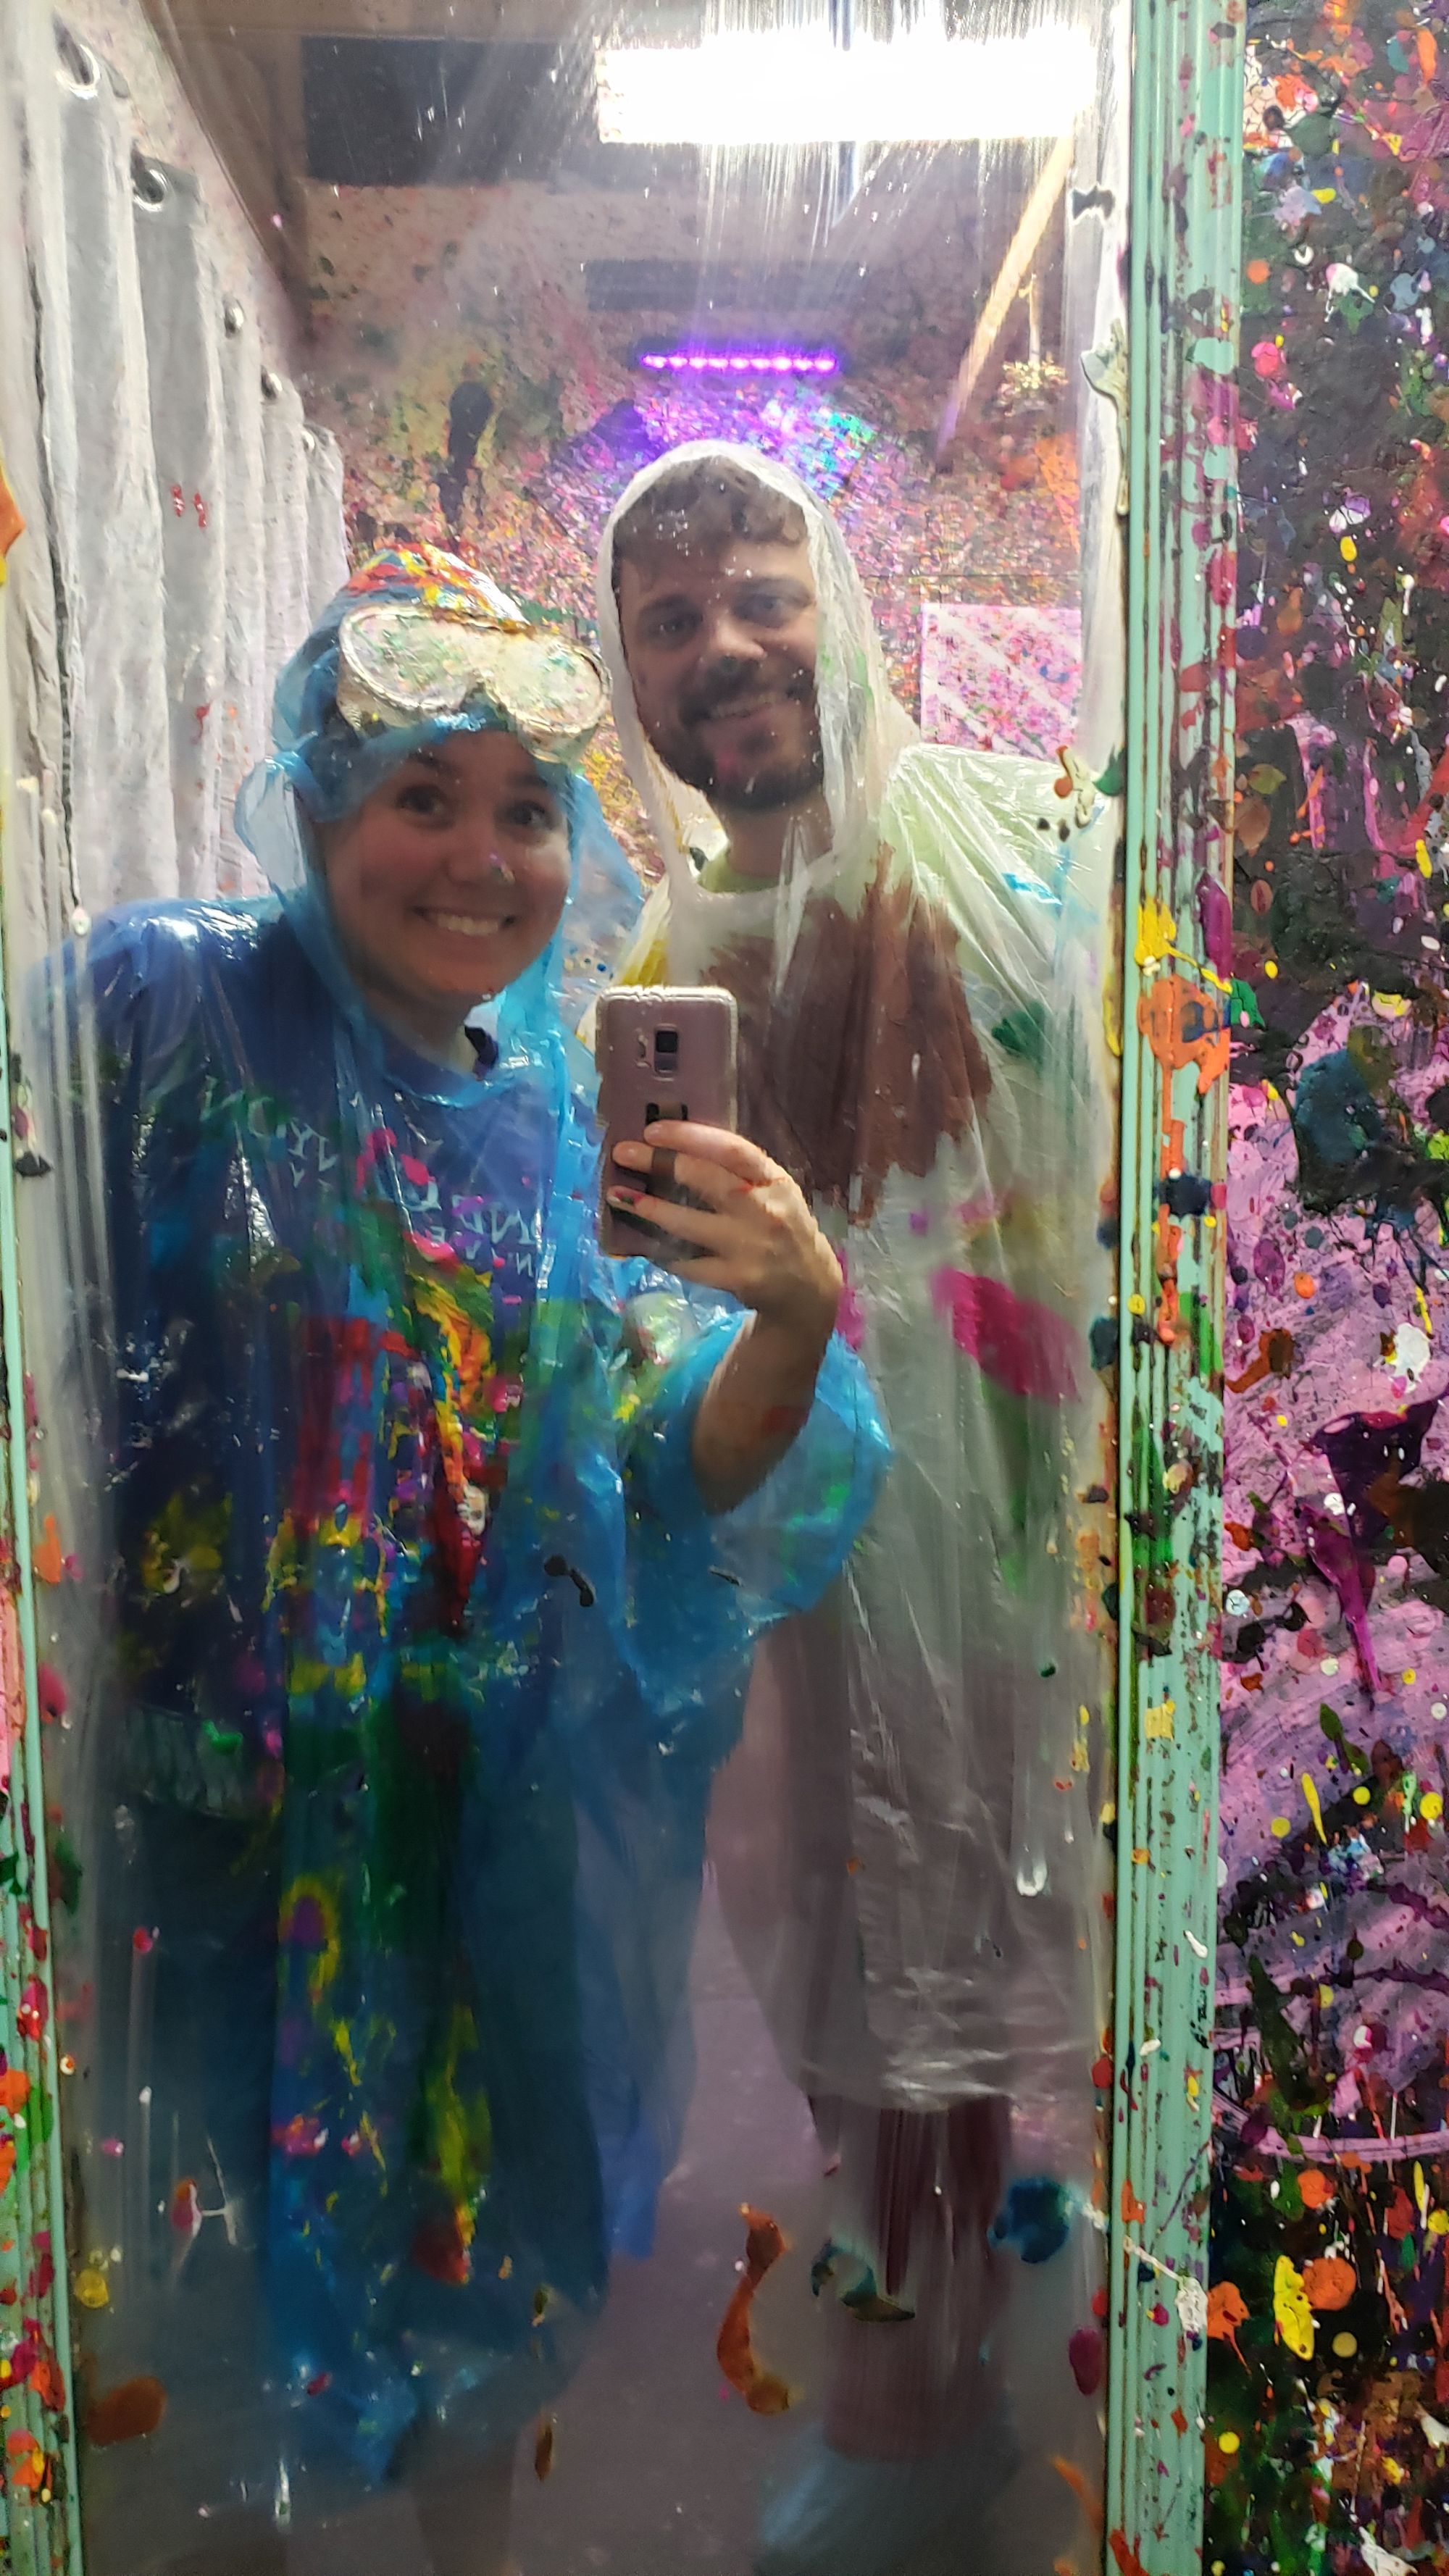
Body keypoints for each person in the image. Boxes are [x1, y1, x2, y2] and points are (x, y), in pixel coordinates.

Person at [37, 543, 887, 2576]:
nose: (482, 859)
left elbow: (671, 1474)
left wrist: (790, 1314)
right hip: (205, 1818)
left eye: (528, 808)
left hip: (464, 1821)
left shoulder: (557, 1140)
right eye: (426, 794)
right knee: (198, 2299)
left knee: (471, 2262)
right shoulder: (167, 1001)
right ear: (322, 802)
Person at [596, 446, 1113, 2576]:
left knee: (968, 1944)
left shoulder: (1011, 836)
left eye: (764, 594)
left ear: (844, 607)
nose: (726, 650)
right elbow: (657, 1310)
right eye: (672, 623)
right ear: (633, 679)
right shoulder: (669, 951)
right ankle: (931, 2342)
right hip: (813, 1551)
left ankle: (936, 2396)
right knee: (854, 1958)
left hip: (1027, 1533)